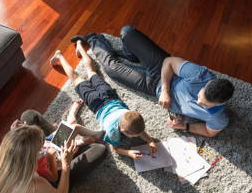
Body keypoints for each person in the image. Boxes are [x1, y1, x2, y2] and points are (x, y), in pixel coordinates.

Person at [71, 26, 235, 137]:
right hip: (162, 69)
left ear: (220, 104)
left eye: (204, 104)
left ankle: (93, 39)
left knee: (111, 69)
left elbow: (209, 131)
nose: (198, 101)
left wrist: (184, 126)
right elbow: (169, 62)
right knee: (127, 32)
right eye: (200, 95)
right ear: (206, 85)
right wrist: (165, 90)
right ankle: (131, 54)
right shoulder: (200, 75)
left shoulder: (220, 118)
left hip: (151, 86)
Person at [0, 101, 107, 193]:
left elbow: (15, 151)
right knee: (99, 149)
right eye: (40, 148)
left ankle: (63, 131)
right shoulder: (35, 185)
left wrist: (17, 134)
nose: (42, 147)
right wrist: (66, 164)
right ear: (32, 160)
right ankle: (69, 134)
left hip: (33, 164)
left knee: (29, 115)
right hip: (51, 179)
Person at [50, 40, 157, 160]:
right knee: (76, 78)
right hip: (97, 103)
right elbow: (116, 149)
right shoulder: (112, 132)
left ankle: (79, 47)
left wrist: (150, 141)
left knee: (91, 72)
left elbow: (140, 130)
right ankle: (60, 55)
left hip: (109, 96)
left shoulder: (129, 114)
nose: (136, 137)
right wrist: (128, 153)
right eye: (133, 135)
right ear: (122, 130)